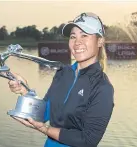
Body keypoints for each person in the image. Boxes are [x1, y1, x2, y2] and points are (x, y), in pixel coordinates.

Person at [8, 12, 114, 147]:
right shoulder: (63, 73)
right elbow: (44, 113)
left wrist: (44, 129)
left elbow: (87, 140)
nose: (77, 42)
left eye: (84, 35)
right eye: (73, 36)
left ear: (100, 41)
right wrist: (25, 90)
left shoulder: (102, 87)